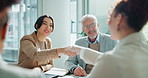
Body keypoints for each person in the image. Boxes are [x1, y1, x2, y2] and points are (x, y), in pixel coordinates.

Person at [68, 0, 148, 78]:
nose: (107, 22)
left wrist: (82, 52)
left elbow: (110, 60)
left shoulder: (110, 60)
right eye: (86, 27)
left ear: (119, 19)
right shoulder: (144, 49)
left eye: (110, 17)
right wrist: (81, 51)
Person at [0, 0, 44, 78]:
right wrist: (59, 50)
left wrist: (41, 68)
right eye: (45, 24)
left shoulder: (47, 41)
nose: (48, 28)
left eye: (51, 25)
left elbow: (51, 64)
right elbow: (36, 55)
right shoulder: (26, 39)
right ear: (37, 26)